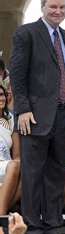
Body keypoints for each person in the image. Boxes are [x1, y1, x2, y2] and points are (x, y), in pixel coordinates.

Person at [10, 0, 65, 234]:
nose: (57, 11)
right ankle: (33, 229)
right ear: (42, 6)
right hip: (34, 116)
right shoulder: (26, 33)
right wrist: (23, 108)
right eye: (53, 7)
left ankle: (53, 228)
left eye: (61, 7)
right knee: (33, 174)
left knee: (56, 175)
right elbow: (17, 73)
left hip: (63, 115)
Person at [0, 86, 20, 215]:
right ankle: (1, 215)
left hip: (7, 166)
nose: (0, 98)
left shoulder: (11, 120)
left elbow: (17, 155)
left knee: (29, 173)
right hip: (6, 167)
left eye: (2, 94)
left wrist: (18, 165)